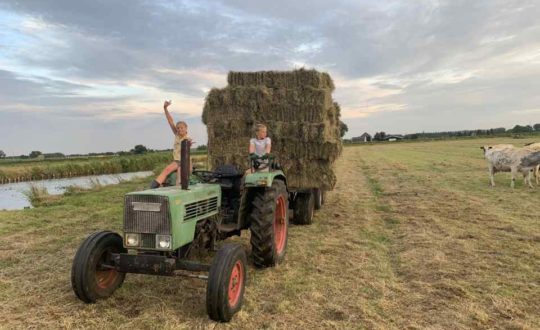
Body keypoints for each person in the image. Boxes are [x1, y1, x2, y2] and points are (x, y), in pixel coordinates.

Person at [150, 100, 192, 188]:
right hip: (177, 161)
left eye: (181, 128)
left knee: (178, 178)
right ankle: (153, 187)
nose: (180, 129)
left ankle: (177, 192)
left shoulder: (187, 139)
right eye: (178, 128)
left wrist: (189, 144)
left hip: (184, 162)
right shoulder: (177, 135)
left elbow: (188, 147)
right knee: (167, 170)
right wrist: (165, 108)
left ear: (186, 128)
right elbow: (170, 121)